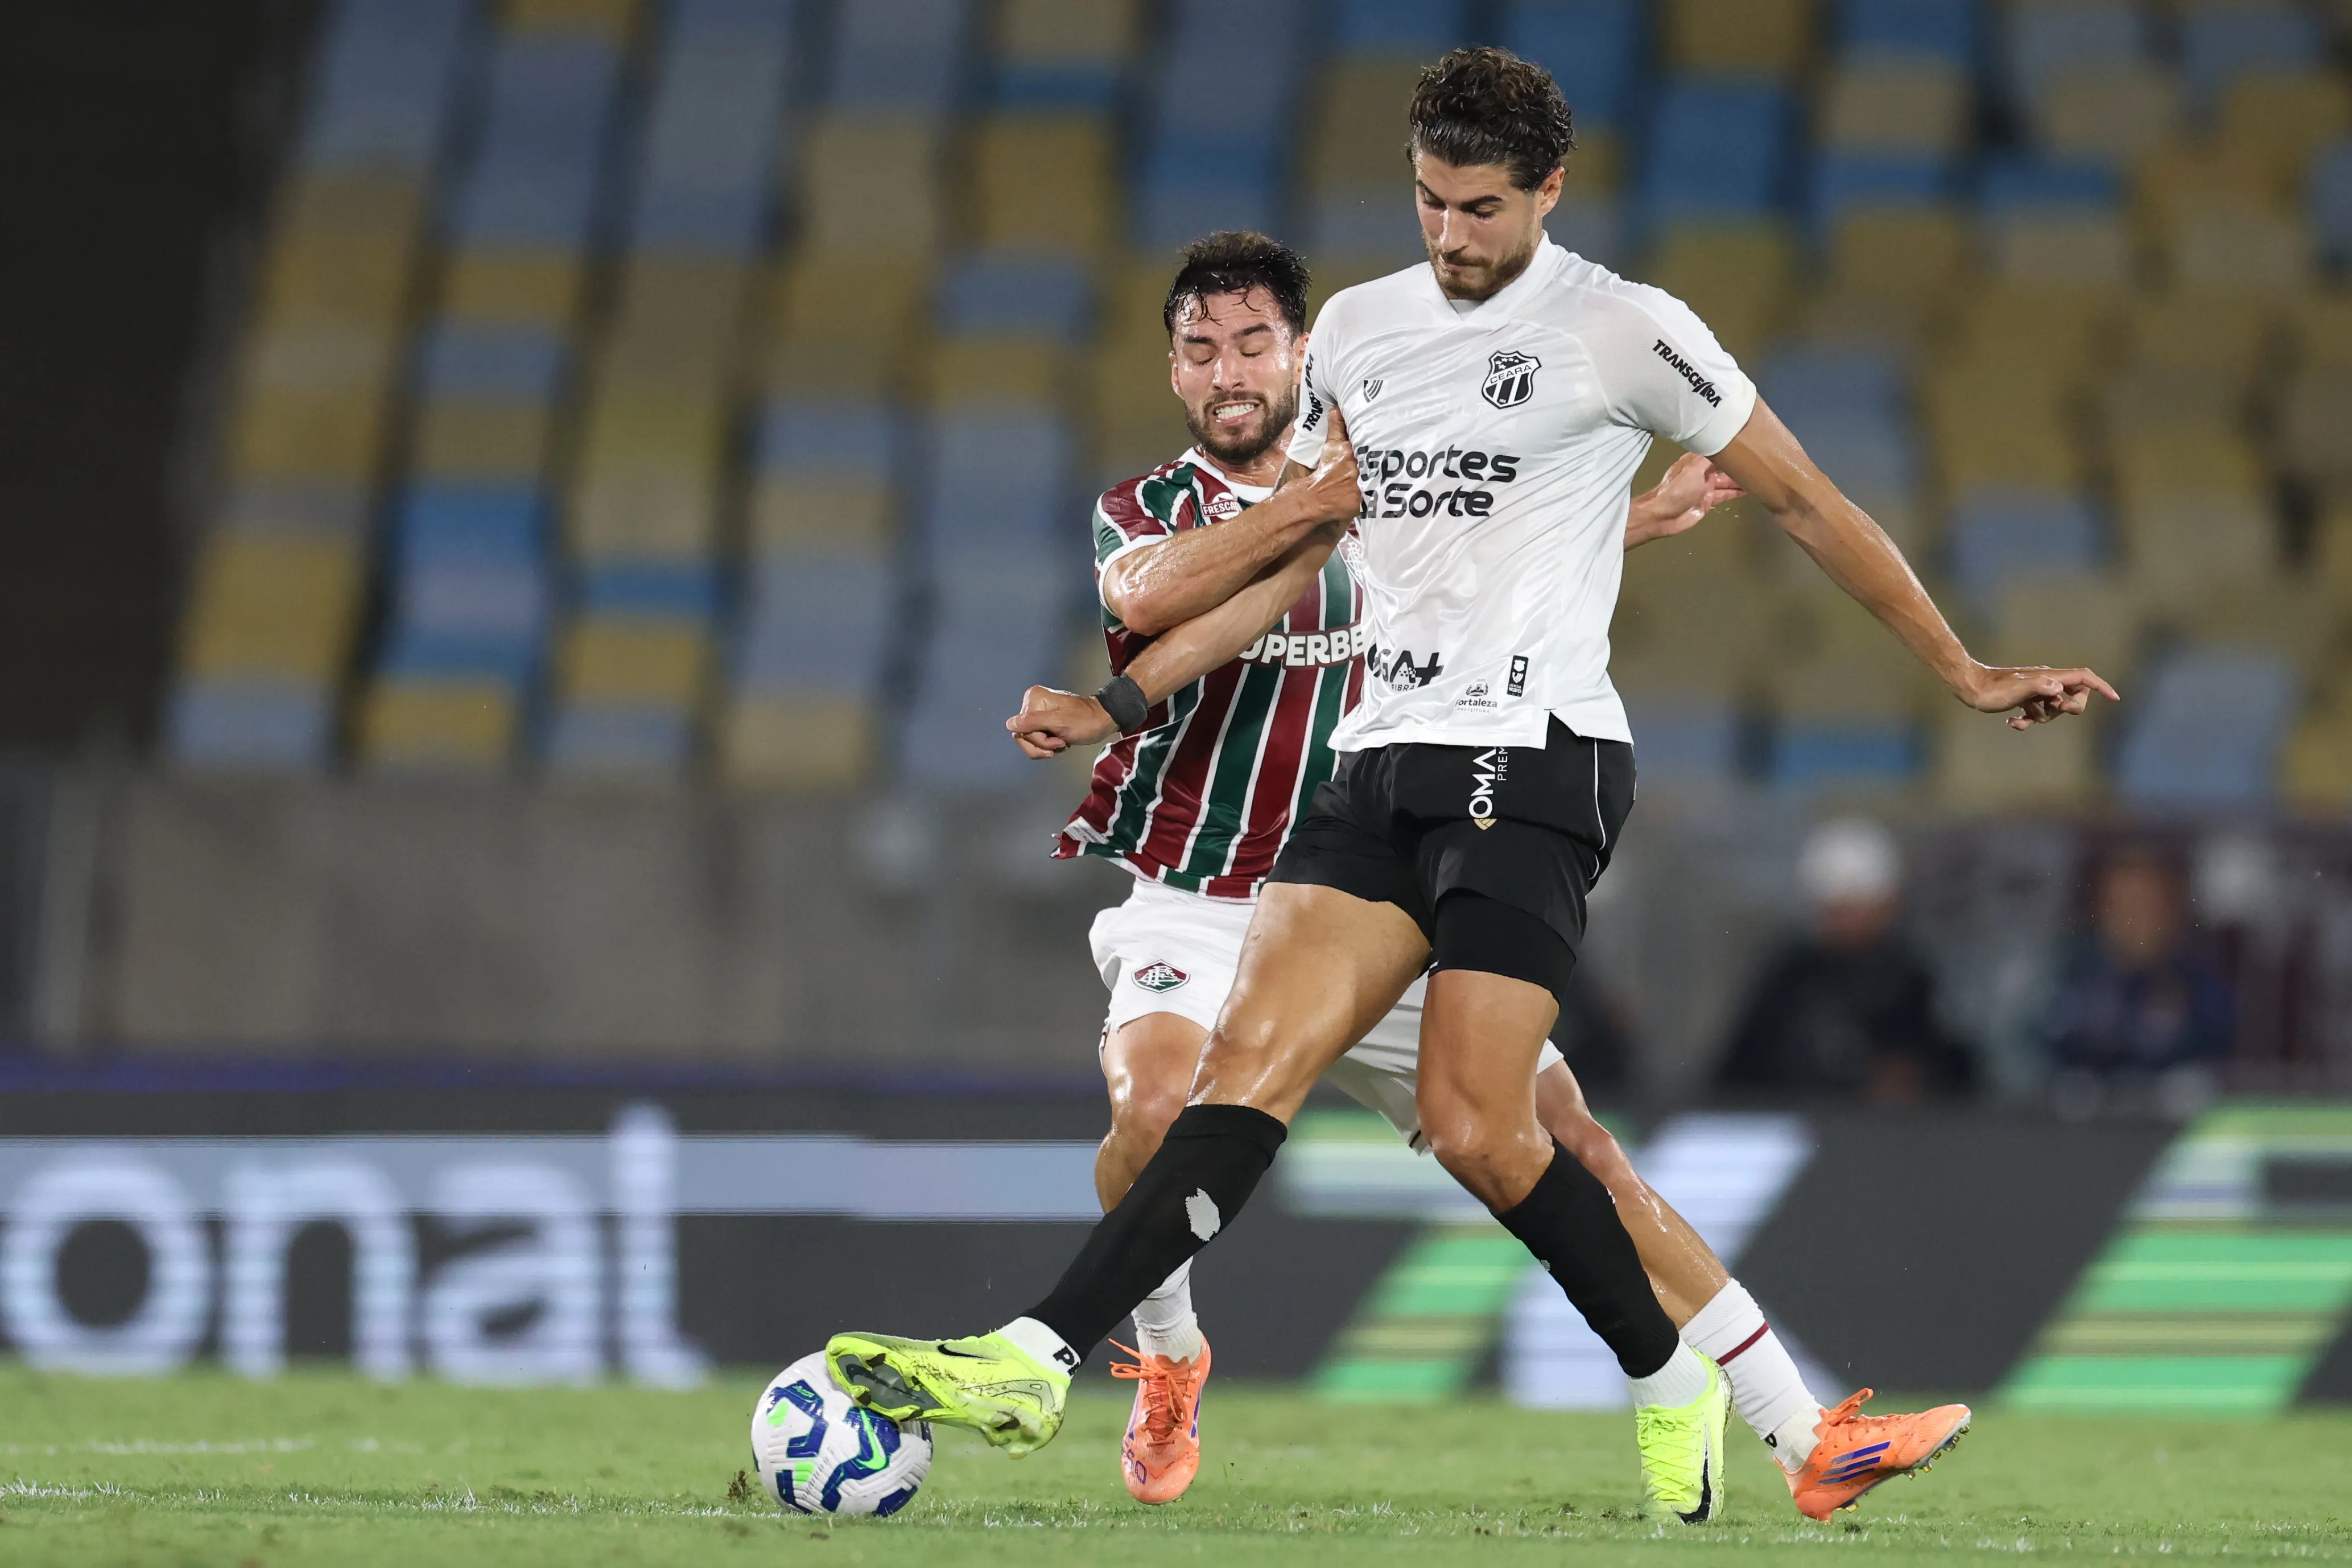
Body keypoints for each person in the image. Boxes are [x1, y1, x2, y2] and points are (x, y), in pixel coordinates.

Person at [824, 46, 2111, 1522]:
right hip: (1297, 825)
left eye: (1481, 207)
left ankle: (1771, 1413)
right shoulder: (1280, 401)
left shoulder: (1594, 343)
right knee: (1204, 1096)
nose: (1450, 233)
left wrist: (1951, 663)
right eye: (1431, 201)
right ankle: (1084, 1355)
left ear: (1547, 191)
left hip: (1479, 797)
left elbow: (1751, 509)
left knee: (1516, 1135)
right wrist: (1119, 698)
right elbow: (1270, 573)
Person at [1028, 230, 1789, 1509]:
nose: (1228, 371)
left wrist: (1635, 519)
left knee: (1570, 1147)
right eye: (1200, 349)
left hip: (1372, 893)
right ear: (1171, 370)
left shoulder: (1392, 465)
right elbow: (1154, 600)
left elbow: (1487, 570)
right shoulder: (1148, 509)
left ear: (1301, 353)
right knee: (1150, 1114)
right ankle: (1168, 1354)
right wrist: (1318, 504)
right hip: (1204, 896)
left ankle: (1789, 1418)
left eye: (1253, 343)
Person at [1716, 818, 1974, 1105]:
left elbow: (1960, 1073)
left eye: (1851, 908)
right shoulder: (1790, 977)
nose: (1839, 923)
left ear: (1887, 904)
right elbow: (1736, 1077)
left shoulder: (1916, 977)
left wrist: (1916, 1080)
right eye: (1831, 910)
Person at [2043, 845, 2234, 1116]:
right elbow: (2050, 1046)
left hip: (2174, 1118)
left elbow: (2216, 1045)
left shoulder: (2199, 982)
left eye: (2146, 906)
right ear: (2102, 911)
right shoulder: (2074, 974)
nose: (2133, 920)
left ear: (2171, 912)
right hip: (2088, 1119)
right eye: (2122, 906)